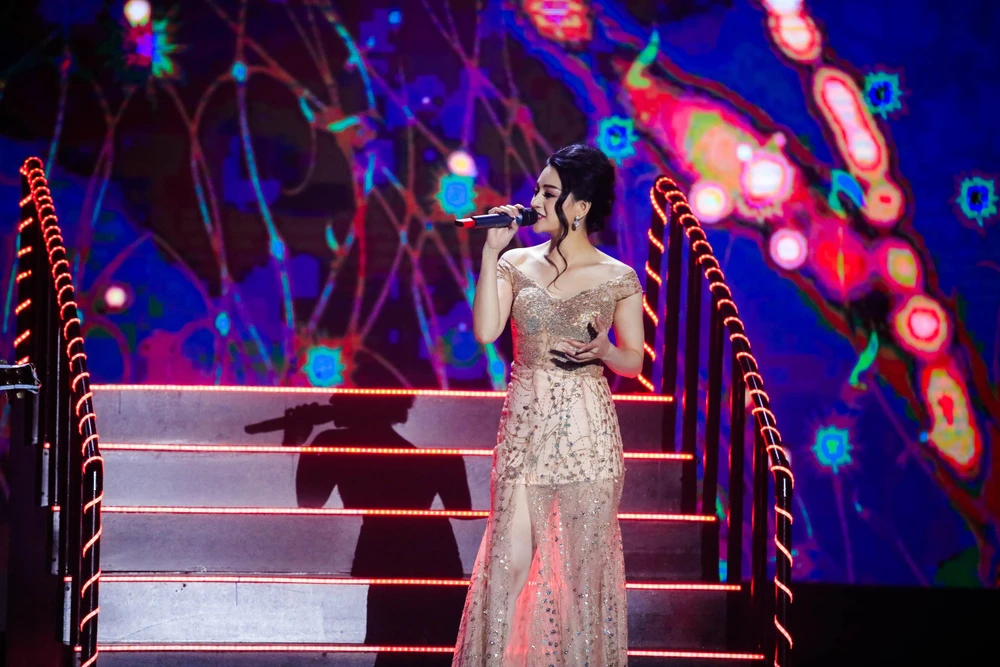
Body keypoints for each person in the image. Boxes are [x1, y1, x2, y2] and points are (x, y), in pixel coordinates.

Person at [452, 144, 644, 666]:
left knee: (580, 583)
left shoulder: (618, 276)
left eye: (548, 192)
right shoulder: (515, 263)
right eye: (537, 189)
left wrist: (606, 351)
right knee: (508, 568)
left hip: (588, 438)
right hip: (525, 435)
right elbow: (486, 330)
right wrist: (490, 253)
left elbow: (633, 360)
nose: (534, 200)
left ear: (580, 206)